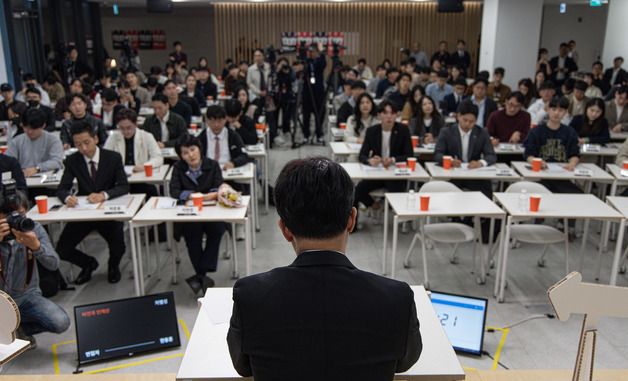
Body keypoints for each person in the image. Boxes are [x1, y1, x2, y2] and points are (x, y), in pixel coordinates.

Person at [227, 156, 421, 380]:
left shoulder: (251, 296)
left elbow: (243, 367)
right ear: (351, 220)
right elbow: (405, 361)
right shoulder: (396, 298)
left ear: (284, 229)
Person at [56, 121, 129, 284]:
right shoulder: (72, 160)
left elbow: (124, 186)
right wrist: (68, 198)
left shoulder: (113, 157)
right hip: (84, 212)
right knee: (62, 249)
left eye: (86, 142)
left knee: (118, 245)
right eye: (78, 144)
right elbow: (62, 188)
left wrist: (104, 194)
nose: (83, 148)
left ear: (95, 139)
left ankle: (113, 266)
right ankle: (88, 264)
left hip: (107, 211)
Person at [0, 190, 70, 347]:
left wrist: (36, 246)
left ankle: (20, 330)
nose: (15, 220)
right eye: (8, 217)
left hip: (26, 297)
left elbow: (54, 264)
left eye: (20, 214)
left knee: (61, 322)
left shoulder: (33, 228)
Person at [169, 136, 226, 294]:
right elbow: (174, 191)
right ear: (181, 156)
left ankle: (200, 275)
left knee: (218, 229)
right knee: (191, 236)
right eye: (185, 153)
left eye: (193, 150)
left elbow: (218, 186)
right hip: (190, 214)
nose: (191, 155)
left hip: (211, 211)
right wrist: (193, 195)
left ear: (200, 149)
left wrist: (208, 196)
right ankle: (203, 276)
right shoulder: (178, 168)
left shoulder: (212, 165)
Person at [524, 96, 582, 230]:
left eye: (561, 110)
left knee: (577, 195)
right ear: (548, 110)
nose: (557, 113)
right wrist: (536, 161)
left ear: (566, 113)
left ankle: (566, 225)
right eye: (554, 109)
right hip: (540, 177)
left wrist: (572, 164)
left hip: (561, 177)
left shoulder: (569, 132)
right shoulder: (537, 131)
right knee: (535, 192)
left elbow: (575, 154)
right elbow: (528, 154)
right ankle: (536, 223)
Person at [354, 101, 412, 222]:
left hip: (395, 174)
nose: (389, 116)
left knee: (397, 194)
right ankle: (372, 206)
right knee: (357, 189)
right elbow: (362, 155)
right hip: (378, 173)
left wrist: (393, 160)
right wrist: (370, 160)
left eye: (392, 113)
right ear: (379, 115)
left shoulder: (403, 130)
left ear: (396, 115)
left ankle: (400, 217)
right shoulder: (372, 131)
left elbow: (409, 155)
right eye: (385, 113)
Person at [434, 101, 496, 198]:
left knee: (486, 189)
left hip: (474, 175)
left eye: (472, 122)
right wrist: (450, 161)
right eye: (465, 120)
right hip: (453, 175)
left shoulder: (482, 132)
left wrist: (480, 163)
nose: (467, 124)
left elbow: (491, 155)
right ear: (458, 116)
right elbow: (437, 154)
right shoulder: (446, 131)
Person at [105, 108, 162, 199]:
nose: (126, 131)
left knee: (149, 192)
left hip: (142, 179)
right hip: (120, 181)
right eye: (122, 128)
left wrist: (144, 165)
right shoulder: (113, 138)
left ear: (135, 124)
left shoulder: (146, 136)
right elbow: (105, 159)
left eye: (129, 128)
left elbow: (158, 158)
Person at [6, 108, 64, 178]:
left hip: (46, 180)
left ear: (43, 126)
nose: (30, 131)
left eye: (34, 129)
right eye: (26, 127)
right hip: (23, 179)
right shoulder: (16, 141)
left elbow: (57, 162)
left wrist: (37, 168)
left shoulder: (53, 140)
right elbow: (7, 162)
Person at [198, 105, 250, 170]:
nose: (216, 125)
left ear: (225, 119)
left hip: (228, 170)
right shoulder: (201, 137)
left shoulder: (232, 135)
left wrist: (233, 163)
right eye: (213, 121)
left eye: (219, 121)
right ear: (207, 120)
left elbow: (244, 155)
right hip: (208, 173)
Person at [302, 43, 327, 144]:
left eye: (313, 51)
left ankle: (319, 135)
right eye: (309, 51)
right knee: (306, 115)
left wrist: (322, 53)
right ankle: (306, 135)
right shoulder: (305, 62)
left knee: (320, 114)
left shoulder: (319, 61)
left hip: (318, 92)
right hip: (307, 92)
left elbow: (323, 64)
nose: (311, 53)